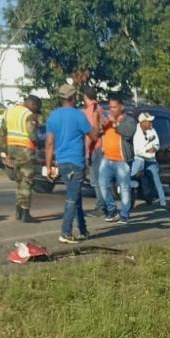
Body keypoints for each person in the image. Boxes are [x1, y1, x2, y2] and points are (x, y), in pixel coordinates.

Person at [45, 84, 97, 244]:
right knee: (72, 198)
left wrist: (49, 165)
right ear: (73, 98)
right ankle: (65, 232)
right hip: (76, 162)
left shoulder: (53, 116)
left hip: (62, 162)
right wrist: (97, 120)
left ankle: (82, 229)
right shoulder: (79, 115)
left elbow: (49, 143)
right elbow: (94, 135)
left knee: (76, 195)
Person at [0, 95, 41, 223]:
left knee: (19, 181)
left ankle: (18, 211)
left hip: (12, 150)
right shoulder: (29, 115)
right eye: (36, 108)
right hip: (26, 151)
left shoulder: (8, 112)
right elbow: (32, 135)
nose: (36, 111)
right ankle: (25, 212)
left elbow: (2, 132)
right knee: (26, 182)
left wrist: (4, 151)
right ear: (33, 104)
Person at [98, 97, 137, 224]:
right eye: (110, 107)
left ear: (121, 107)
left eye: (114, 107)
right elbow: (98, 132)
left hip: (122, 159)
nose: (111, 110)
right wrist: (102, 124)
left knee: (124, 187)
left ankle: (125, 213)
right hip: (107, 158)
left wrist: (115, 123)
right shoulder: (107, 120)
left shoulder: (129, 120)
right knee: (102, 184)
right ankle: (112, 209)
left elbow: (128, 133)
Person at [131, 112, 168, 210]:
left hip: (151, 160)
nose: (151, 123)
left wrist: (154, 149)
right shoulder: (136, 133)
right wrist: (147, 151)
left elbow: (157, 144)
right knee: (132, 176)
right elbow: (137, 151)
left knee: (156, 179)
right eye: (149, 121)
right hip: (139, 159)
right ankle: (131, 199)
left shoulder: (153, 131)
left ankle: (163, 202)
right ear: (143, 122)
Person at [82, 86, 106, 215]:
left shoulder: (90, 111)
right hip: (101, 146)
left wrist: (86, 150)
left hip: (94, 148)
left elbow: (91, 131)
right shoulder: (99, 108)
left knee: (96, 180)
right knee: (101, 178)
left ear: (85, 97)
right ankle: (105, 204)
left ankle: (101, 206)